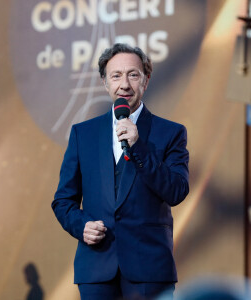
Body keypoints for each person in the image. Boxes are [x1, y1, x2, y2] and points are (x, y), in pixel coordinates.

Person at [52, 43, 189, 300]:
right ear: (105, 83)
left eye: (133, 75)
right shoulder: (84, 134)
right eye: (116, 76)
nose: (124, 84)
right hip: (96, 270)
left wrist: (140, 148)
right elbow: (63, 200)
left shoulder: (170, 133)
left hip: (149, 269)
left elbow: (177, 191)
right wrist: (81, 225)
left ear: (145, 81)